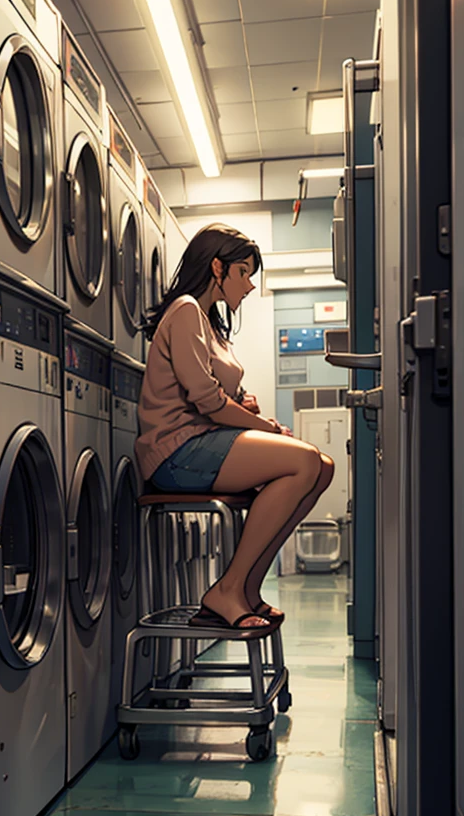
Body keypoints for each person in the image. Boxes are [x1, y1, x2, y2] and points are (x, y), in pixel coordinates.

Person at [136, 223, 335, 634]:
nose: (249, 285)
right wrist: (263, 425)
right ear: (217, 267)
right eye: (244, 272)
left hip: (204, 443)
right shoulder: (186, 309)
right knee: (304, 462)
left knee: (324, 466)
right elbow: (207, 402)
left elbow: (223, 396)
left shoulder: (211, 325)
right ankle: (226, 590)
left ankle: (246, 588)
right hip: (176, 453)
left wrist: (251, 410)